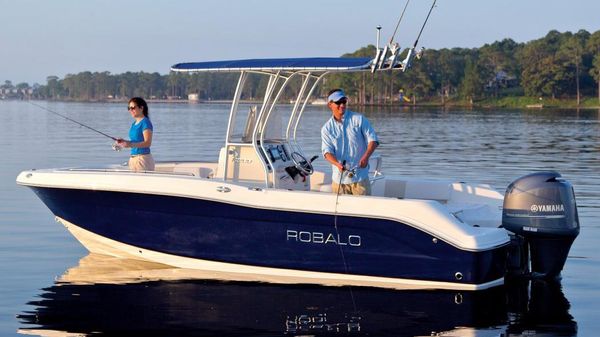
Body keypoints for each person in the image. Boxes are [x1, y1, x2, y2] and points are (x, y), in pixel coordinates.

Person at [321, 89, 379, 195]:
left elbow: (373, 140)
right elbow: (326, 152)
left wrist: (365, 157)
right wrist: (337, 164)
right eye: (338, 102)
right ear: (330, 104)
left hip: (360, 179)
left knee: (362, 211)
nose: (342, 105)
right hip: (339, 181)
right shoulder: (326, 129)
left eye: (344, 101)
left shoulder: (359, 119)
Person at [117, 97, 155, 171]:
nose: (131, 110)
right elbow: (134, 141)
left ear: (141, 108)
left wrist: (130, 144)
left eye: (133, 107)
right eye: (129, 108)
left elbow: (147, 143)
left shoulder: (145, 122)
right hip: (133, 159)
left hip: (143, 160)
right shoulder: (134, 124)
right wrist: (124, 142)